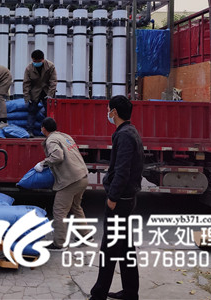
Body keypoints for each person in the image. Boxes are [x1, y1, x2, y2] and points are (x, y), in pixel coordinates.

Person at [89, 95, 144, 300]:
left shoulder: (124, 135)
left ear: (114, 112)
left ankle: (98, 294)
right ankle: (130, 292)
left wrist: (112, 197)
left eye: (108, 109)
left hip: (120, 201)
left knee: (109, 249)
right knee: (125, 247)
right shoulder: (130, 131)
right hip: (127, 199)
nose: (107, 113)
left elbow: (122, 170)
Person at [34, 117, 89, 250]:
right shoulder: (65, 136)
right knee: (76, 207)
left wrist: (43, 163)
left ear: (43, 129)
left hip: (71, 180)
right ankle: (86, 236)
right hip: (82, 176)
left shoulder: (51, 140)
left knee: (59, 211)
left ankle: (59, 243)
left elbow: (58, 156)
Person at [23, 50, 57, 137]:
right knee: (32, 111)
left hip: (47, 91)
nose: (36, 63)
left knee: (49, 112)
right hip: (35, 92)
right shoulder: (29, 68)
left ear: (42, 59)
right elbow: (26, 83)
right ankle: (29, 131)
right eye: (34, 61)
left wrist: (50, 95)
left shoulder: (50, 66)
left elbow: (53, 81)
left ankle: (50, 132)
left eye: (38, 61)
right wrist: (27, 97)